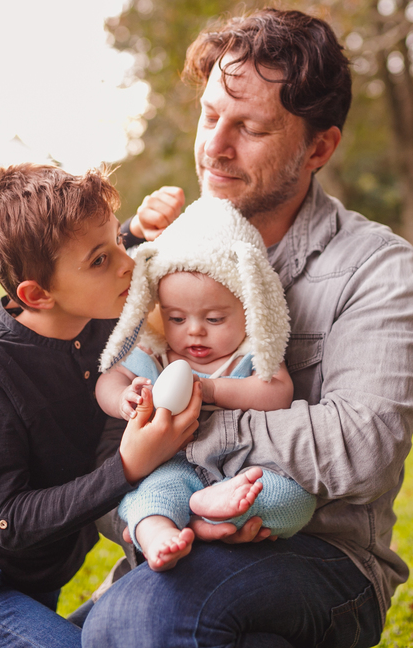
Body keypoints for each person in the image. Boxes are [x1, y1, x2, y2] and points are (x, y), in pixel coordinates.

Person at [81, 9, 413, 648]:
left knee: (137, 623)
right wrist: (157, 516)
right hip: (165, 549)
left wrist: (184, 417)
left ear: (319, 147)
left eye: (251, 128)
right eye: (212, 115)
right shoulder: (158, 262)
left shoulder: (377, 269)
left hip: (324, 560)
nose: (215, 146)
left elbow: (361, 444)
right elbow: (100, 448)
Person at [0, 163, 201, 648]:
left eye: (119, 247)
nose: (127, 264)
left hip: (37, 582)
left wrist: (138, 230)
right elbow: (9, 520)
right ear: (35, 295)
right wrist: (128, 465)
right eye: (103, 259)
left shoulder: (96, 311)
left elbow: (97, 253)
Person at [95, 195, 316, 571]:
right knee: (148, 497)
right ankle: (160, 534)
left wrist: (212, 389)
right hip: (174, 464)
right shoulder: (158, 353)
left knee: (294, 502)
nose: (194, 332)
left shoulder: (249, 354)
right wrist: (122, 398)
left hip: (243, 467)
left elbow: (278, 392)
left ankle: (210, 514)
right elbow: (108, 378)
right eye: (177, 318)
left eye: (214, 319)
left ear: (250, 310)